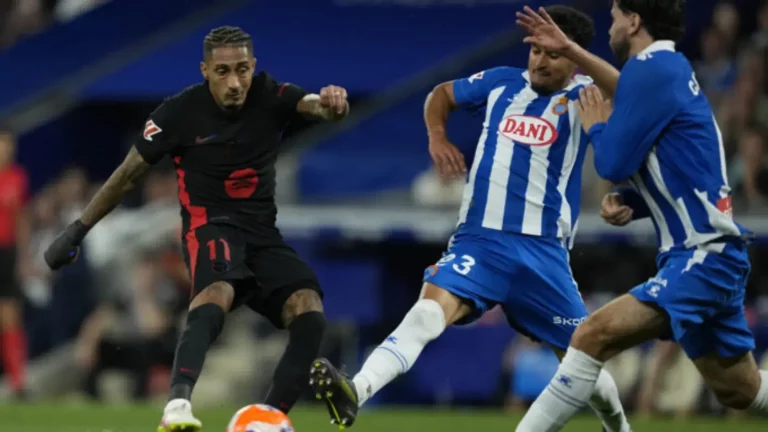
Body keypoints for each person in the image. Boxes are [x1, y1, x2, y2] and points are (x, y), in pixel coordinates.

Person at [308, 6, 631, 432]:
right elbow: (441, 94)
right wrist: (437, 136)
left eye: (552, 54)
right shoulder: (501, 82)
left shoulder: (585, 94)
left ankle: (620, 428)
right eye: (535, 50)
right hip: (480, 243)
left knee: (584, 366)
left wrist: (570, 48)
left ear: (573, 57)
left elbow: (627, 90)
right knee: (426, 313)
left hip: (543, 256)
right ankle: (357, 391)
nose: (538, 61)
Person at [43, 26, 350, 432]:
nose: (235, 81)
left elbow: (316, 106)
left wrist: (333, 102)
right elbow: (128, 174)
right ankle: (176, 406)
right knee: (216, 293)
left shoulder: (270, 94)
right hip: (210, 227)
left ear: (253, 66)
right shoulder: (178, 113)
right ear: (205, 70)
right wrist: (77, 230)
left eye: (242, 69)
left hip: (262, 234)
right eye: (223, 71)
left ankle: (269, 418)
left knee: (309, 310)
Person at [513, 2, 768, 431]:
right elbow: (690, 170)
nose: (610, 26)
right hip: (712, 255)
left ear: (633, 22)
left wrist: (596, 124)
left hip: (702, 258)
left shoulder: (653, 68)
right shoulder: (667, 69)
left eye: (614, 16)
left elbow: (611, 162)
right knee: (738, 390)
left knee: (591, 335)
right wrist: (639, 200)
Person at [0, 131, 30, 398]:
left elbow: (20, 219)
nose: (6, 150)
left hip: (6, 253)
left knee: (10, 318)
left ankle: (18, 382)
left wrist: (23, 257)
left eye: (10, 145)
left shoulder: (17, 178)